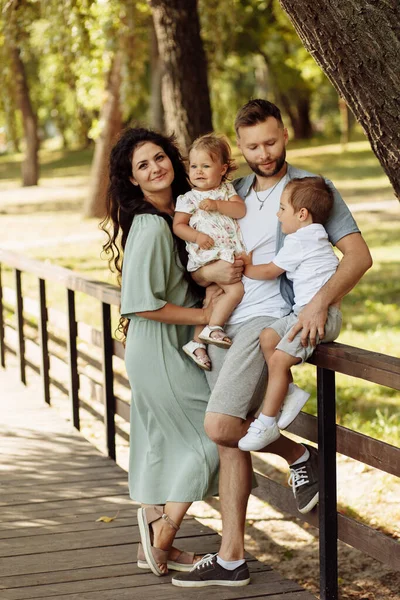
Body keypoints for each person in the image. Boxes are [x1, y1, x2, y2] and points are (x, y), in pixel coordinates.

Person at [171, 99, 372, 588]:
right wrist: (206, 271)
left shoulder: (308, 189)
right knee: (230, 439)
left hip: (270, 317)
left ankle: (297, 455)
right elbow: (206, 255)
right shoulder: (229, 189)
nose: (265, 153)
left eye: (272, 141)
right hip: (225, 320)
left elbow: (359, 256)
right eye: (253, 146)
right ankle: (232, 557)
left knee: (221, 425)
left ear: (286, 135)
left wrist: (319, 303)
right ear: (238, 149)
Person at [101, 127, 219, 579]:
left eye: (159, 157)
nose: (155, 168)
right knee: (210, 437)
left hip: (168, 345)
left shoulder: (181, 212)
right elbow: (141, 303)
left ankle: (151, 547)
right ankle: (162, 534)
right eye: (142, 166)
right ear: (132, 180)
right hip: (160, 348)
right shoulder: (150, 225)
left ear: (173, 158)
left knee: (170, 441)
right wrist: (203, 318)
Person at [239, 176, 342, 451]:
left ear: (302, 214)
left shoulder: (298, 241)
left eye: (282, 208)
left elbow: (270, 271)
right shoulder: (318, 234)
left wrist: (246, 267)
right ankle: (288, 390)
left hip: (320, 319)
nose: (277, 214)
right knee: (268, 337)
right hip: (304, 314)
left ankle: (267, 422)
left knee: (279, 360)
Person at [173, 133, 246, 371]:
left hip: (224, 254)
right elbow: (179, 226)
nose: (198, 171)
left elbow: (240, 210)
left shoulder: (226, 190)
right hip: (208, 255)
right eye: (194, 166)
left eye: (206, 165)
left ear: (223, 169)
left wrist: (217, 205)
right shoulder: (188, 198)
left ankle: (195, 344)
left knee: (212, 298)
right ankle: (214, 328)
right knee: (236, 290)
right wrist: (197, 237)